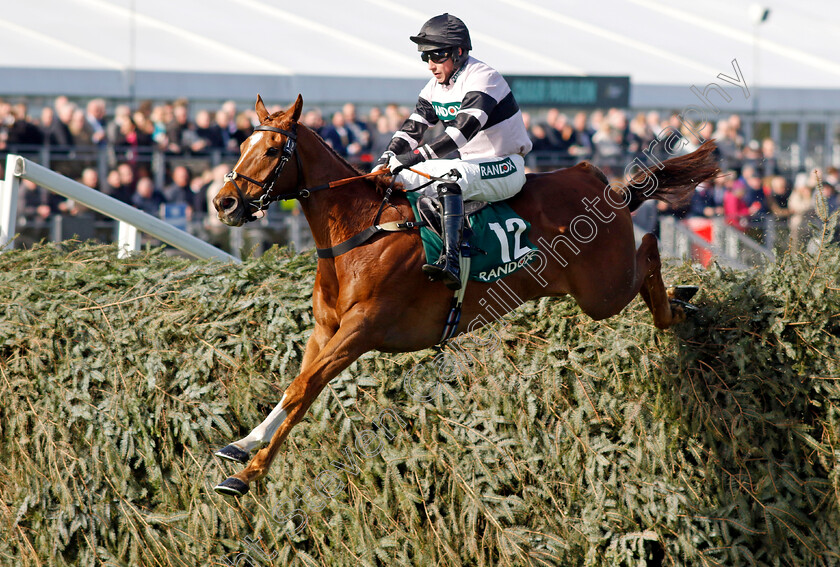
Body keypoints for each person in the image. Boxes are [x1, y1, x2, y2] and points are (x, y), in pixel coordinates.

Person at [372, 13, 532, 290]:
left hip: (505, 166)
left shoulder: (484, 77)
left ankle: (452, 261)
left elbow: (462, 132)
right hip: (472, 168)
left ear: (459, 52)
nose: (431, 66)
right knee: (392, 178)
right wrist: (386, 160)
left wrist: (413, 158)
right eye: (425, 58)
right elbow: (412, 129)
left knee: (446, 177)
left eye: (436, 56)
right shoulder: (434, 87)